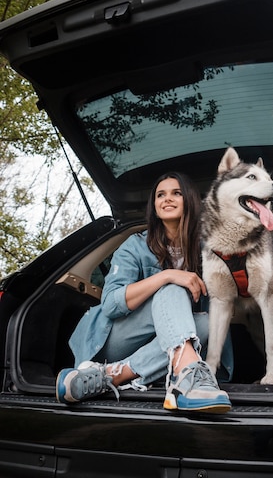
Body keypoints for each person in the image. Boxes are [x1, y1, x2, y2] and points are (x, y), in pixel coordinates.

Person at [56, 172, 231, 413]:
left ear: (190, 200)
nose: (167, 199)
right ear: (154, 206)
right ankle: (188, 375)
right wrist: (167, 275)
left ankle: (111, 375)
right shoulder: (135, 245)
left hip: (161, 346)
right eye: (161, 194)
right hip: (114, 339)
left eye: (176, 193)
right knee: (171, 288)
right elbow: (110, 304)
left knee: (210, 323)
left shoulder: (207, 252)